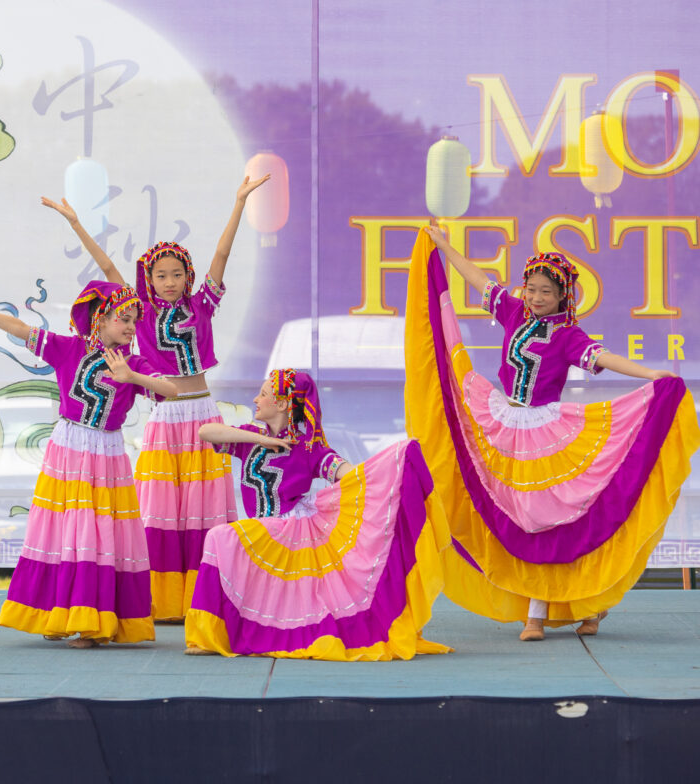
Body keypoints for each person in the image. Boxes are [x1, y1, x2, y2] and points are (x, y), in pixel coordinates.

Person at [411, 227, 699, 640]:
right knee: (519, 519)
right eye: (531, 288)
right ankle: (559, 608)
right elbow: (477, 279)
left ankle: (548, 612)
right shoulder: (513, 312)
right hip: (505, 423)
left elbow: (604, 356)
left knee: (550, 521)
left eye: (546, 291)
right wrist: (443, 246)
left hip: (545, 432)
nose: (536, 297)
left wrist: (651, 373)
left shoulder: (567, 336)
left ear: (563, 296)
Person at [41, 174, 267, 622]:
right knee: (163, 512)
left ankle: (203, 599)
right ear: (149, 279)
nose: (169, 282)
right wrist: (75, 224)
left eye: (177, 274)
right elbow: (108, 271)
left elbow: (221, 254)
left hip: (202, 411)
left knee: (203, 510)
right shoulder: (138, 316)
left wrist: (239, 201)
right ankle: (162, 602)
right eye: (161, 275)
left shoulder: (202, 306)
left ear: (188, 277)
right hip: (164, 415)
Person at [0, 274, 178, 646]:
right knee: (64, 533)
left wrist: (133, 375)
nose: (130, 327)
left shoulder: (133, 362)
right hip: (69, 450)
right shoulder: (67, 349)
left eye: (133, 320)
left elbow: (170, 389)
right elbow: (21, 329)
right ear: (101, 319)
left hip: (106, 455)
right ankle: (60, 613)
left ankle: (92, 625)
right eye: (123, 318)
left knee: (96, 535)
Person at [183, 369, 453, 660]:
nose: (255, 399)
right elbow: (205, 432)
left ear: (284, 404)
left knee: (220, 537)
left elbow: (349, 475)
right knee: (227, 541)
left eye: (263, 394)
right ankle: (223, 632)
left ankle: (213, 633)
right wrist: (263, 441)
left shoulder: (309, 449)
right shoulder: (250, 438)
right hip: (262, 527)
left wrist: (394, 468)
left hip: (289, 530)